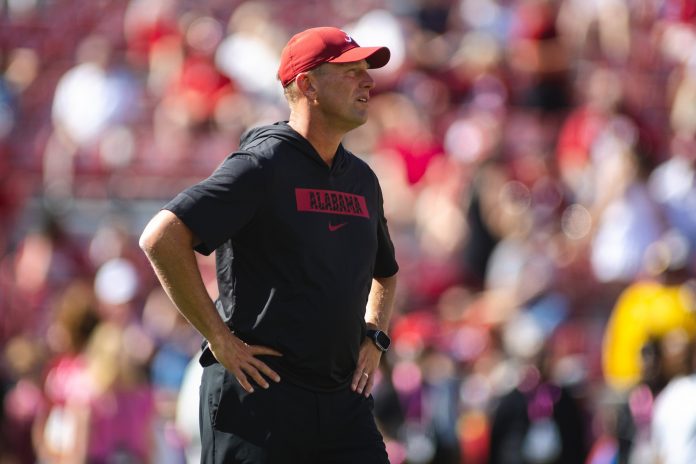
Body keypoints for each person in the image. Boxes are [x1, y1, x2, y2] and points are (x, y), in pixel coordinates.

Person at [139, 26, 399, 464]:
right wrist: (218, 339)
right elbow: (162, 237)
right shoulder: (262, 164)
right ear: (307, 85)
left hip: (340, 400)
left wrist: (375, 335)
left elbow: (385, 273)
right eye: (351, 72)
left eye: (366, 71)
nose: (368, 80)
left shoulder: (363, 179)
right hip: (260, 400)